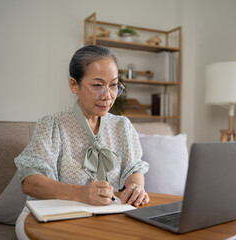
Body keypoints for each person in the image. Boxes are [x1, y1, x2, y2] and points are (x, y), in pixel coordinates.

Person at [14, 45, 149, 239]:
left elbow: (134, 169)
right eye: (97, 86)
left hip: (105, 217)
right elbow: (30, 182)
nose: (108, 96)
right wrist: (80, 193)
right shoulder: (51, 125)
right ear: (73, 85)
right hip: (48, 215)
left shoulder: (123, 126)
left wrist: (135, 187)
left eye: (113, 85)